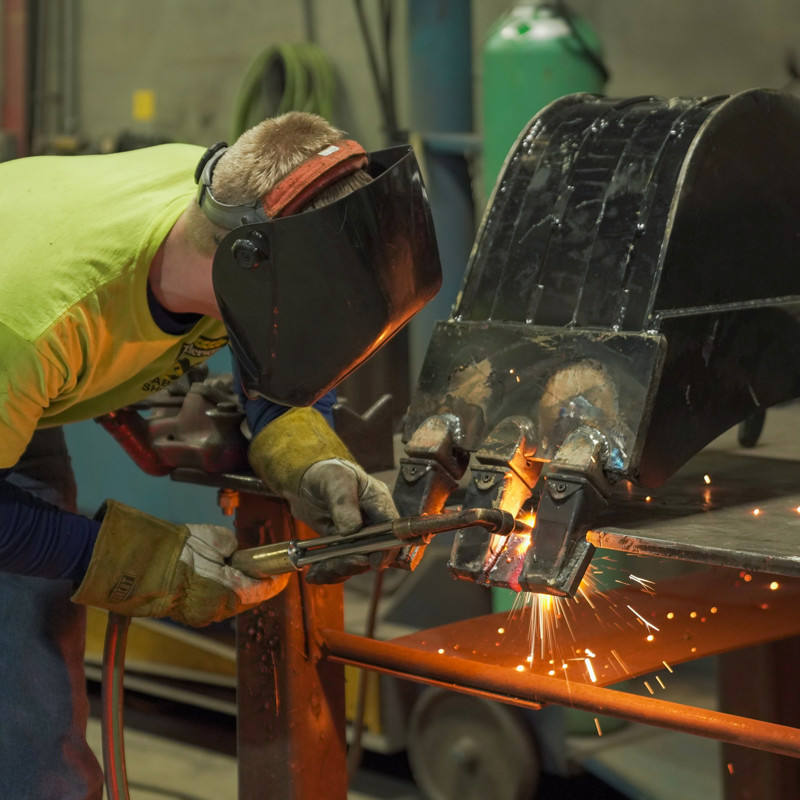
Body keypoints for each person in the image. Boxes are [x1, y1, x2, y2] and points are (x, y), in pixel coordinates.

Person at [0, 111, 440, 799]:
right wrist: (137, 561)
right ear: (248, 270)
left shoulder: (238, 211)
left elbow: (275, 357)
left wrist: (312, 460)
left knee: (33, 654)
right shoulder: (29, 324)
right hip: (14, 331)